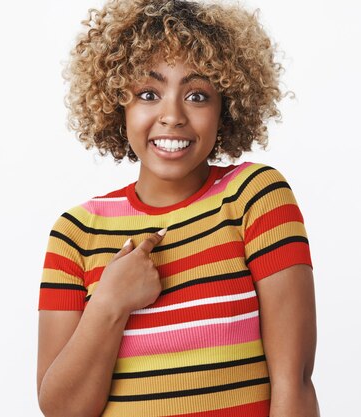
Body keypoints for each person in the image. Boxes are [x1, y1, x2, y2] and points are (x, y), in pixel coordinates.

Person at [36, 1, 319, 416]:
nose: (172, 116)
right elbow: (62, 410)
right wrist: (109, 303)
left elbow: (293, 385)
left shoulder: (253, 197)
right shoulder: (76, 232)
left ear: (226, 107)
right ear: (119, 103)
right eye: (149, 94)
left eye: (197, 95)